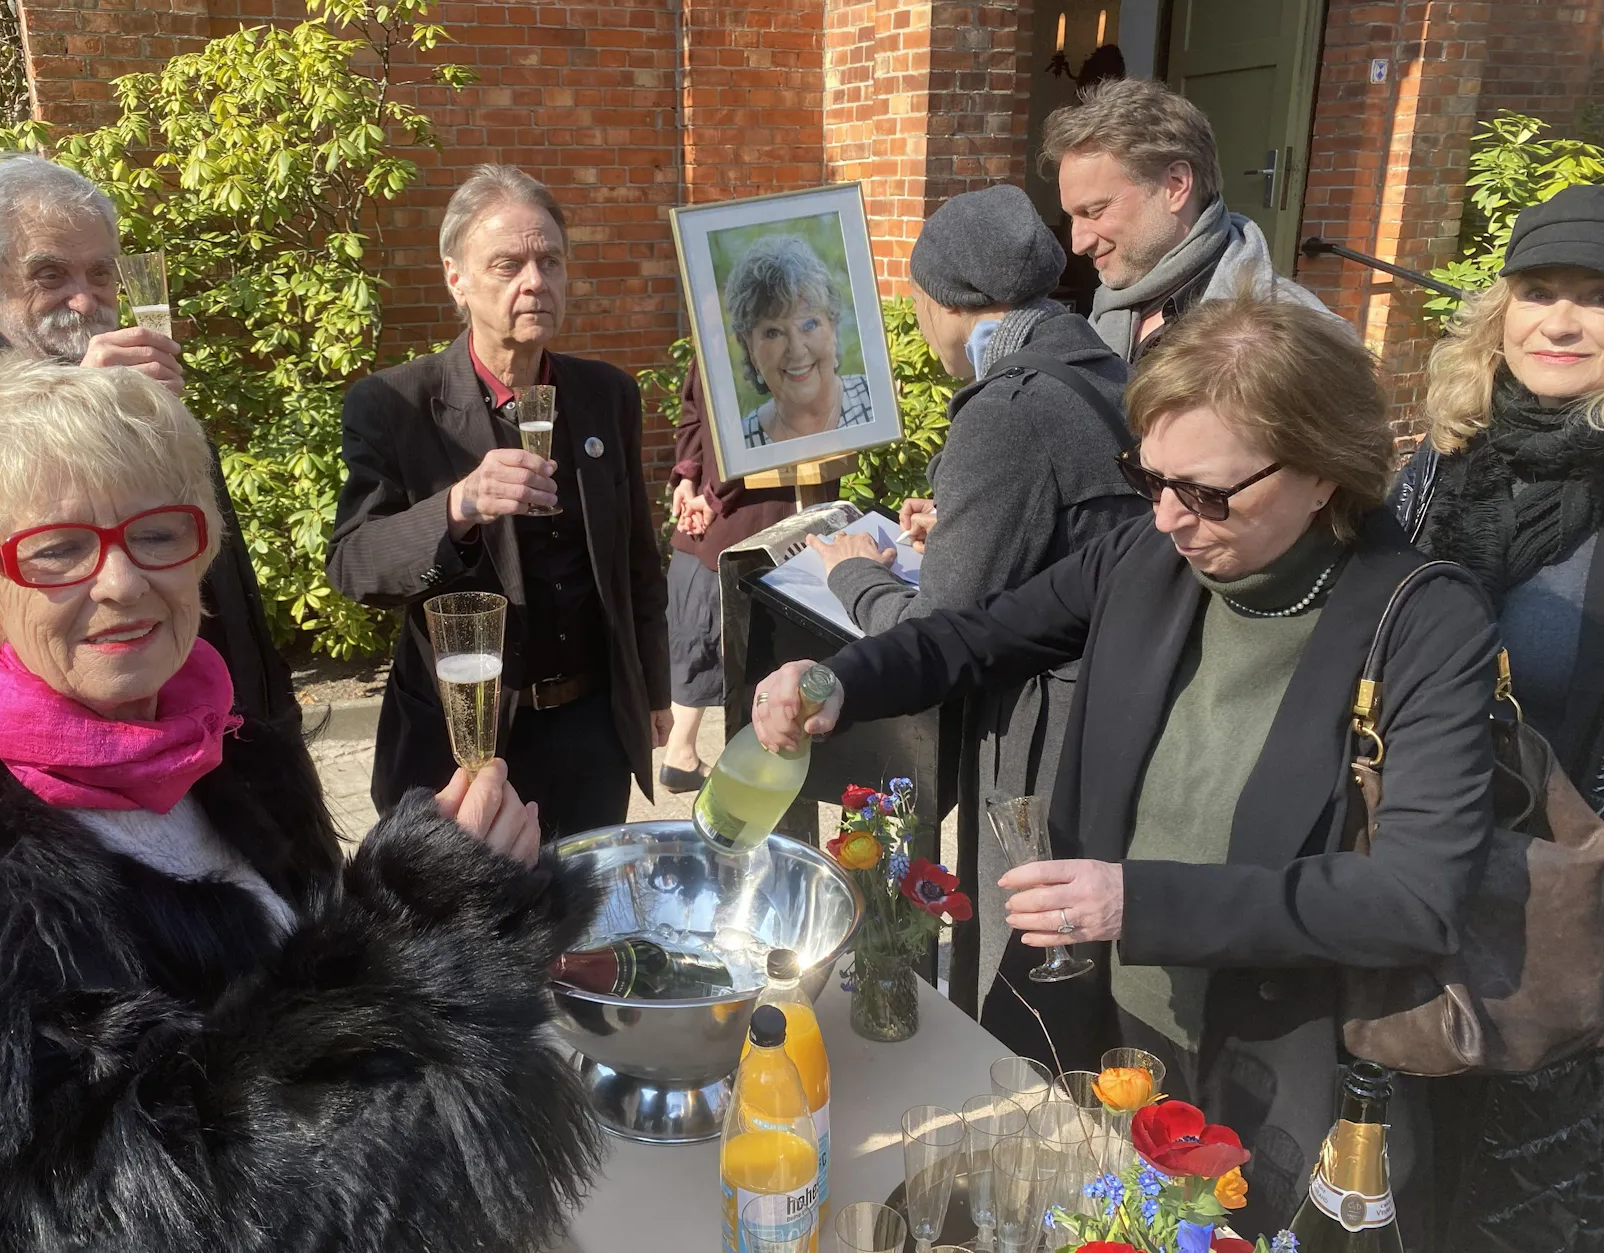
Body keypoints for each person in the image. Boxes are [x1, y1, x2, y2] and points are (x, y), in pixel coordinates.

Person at [0, 360, 601, 1253]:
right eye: (57, 549)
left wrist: (470, 907)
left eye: (156, 532)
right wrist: (399, 938)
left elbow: (307, 975)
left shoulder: (234, 752)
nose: (122, 581)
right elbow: (81, 1214)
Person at [752, 297, 1500, 1241]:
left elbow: (1414, 896)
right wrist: (840, 681)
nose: (1169, 517)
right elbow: (978, 637)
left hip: (1270, 1067)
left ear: (1322, 473)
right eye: (1148, 476)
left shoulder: (1425, 619)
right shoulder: (1149, 552)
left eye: (1207, 493)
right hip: (1091, 1024)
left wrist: (1135, 901)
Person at [803, 184, 1143, 1020]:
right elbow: (1064, 539)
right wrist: (954, 529)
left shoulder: (1009, 410)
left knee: (1027, 984)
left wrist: (855, 573)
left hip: (1045, 744)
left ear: (943, 302)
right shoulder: (1101, 364)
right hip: (1118, 712)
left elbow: (939, 634)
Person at [0, 153, 296, 726]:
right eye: (50, 275)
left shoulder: (141, 396)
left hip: (219, 723)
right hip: (52, 744)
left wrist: (271, 708)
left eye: (100, 272)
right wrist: (69, 415)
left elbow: (213, 565)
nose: (85, 300)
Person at [327, 164, 669, 834]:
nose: (535, 282)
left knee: (583, 891)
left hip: (592, 731)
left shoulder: (606, 395)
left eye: (550, 261)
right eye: (508, 265)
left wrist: (654, 689)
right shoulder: (396, 405)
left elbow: (637, 558)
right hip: (464, 744)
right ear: (456, 278)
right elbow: (355, 564)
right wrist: (459, 505)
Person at [1393, 184, 1604, 1252]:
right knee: (1398, 1166)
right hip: (1411, 875)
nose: (1559, 321)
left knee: (1514, 1205)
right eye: (1537, 291)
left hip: (1559, 909)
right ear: (1501, 310)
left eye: (1593, 297)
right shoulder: (1441, 463)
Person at [1042, 77, 1337, 362]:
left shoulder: (1299, 343)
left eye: (1094, 211)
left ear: (1176, 185)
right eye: (1072, 217)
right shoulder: (1108, 311)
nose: (1078, 244)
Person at [659, 370, 798, 792]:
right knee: (740, 638)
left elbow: (700, 417)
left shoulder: (717, 342)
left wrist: (697, 486)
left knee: (703, 623)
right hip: (741, 509)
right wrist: (696, 485)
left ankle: (681, 753)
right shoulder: (724, 346)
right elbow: (726, 422)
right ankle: (715, 761)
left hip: (726, 505)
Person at [723, 233, 876, 447]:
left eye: (809, 325)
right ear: (749, 348)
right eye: (774, 333)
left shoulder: (877, 401)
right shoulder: (740, 445)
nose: (796, 351)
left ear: (833, 327)